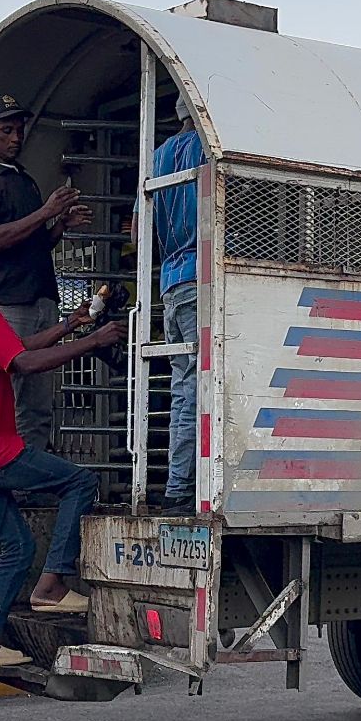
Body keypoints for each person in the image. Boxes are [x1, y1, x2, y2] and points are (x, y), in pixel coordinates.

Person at [0, 245, 124, 674]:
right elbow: (23, 362)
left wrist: (70, 325)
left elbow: (16, 347)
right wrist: (92, 341)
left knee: (18, 547)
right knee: (79, 483)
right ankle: (53, 583)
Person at [0, 93, 94, 451]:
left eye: (19, 130)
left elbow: (31, 246)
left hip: (42, 298)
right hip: (10, 302)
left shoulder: (24, 179)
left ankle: (32, 479)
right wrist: (45, 211)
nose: (15, 138)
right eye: (6, 130)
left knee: (38, 402)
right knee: (17, 400)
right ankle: (18, 480)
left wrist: (60, 226)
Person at [152, 95, 206, 516]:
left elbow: (138, 227)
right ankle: (181, 487)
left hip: (169, 284)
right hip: (198, 278)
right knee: (194, 390)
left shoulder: (156, 158)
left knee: (180, 388)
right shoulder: (207, 148)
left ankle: (176, 481)